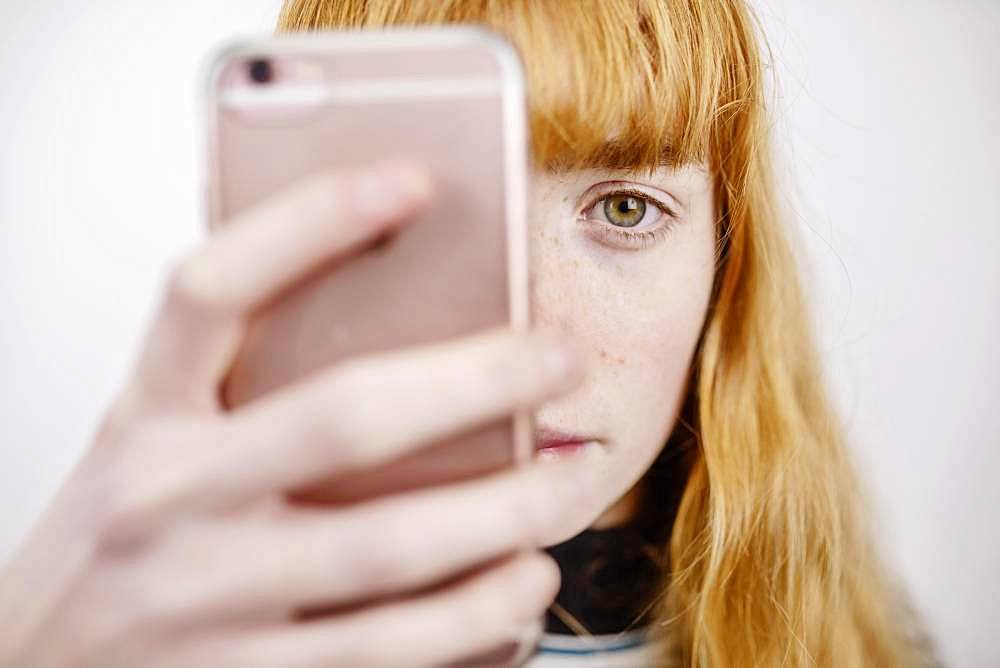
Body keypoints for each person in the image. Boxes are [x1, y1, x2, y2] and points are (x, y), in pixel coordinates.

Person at [0, 1, 941, 666]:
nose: (528, 337)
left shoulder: (857, 643)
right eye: (424, 220)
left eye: (623, 206)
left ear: (723, 272)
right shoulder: (181, 641)